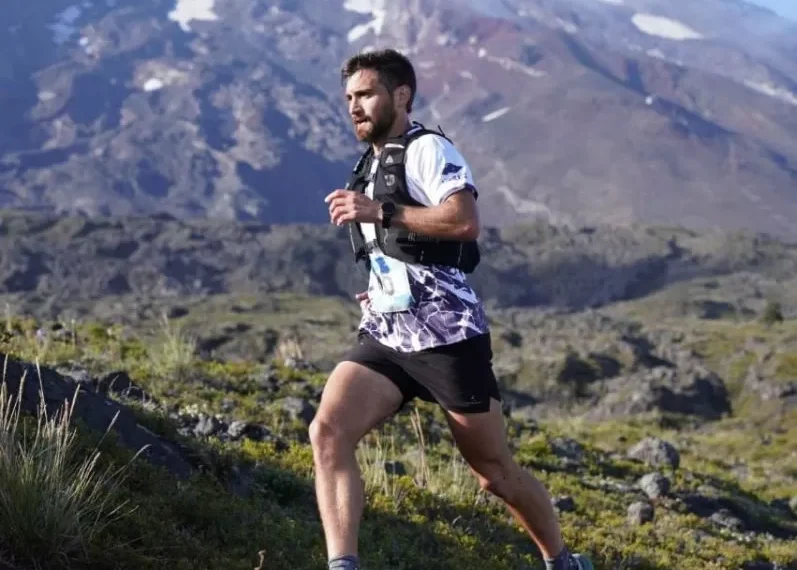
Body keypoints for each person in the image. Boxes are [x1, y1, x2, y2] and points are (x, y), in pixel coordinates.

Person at [315, 48, 594, 570]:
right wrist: (382, 284)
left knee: (493, 472)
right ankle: (344, 565)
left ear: (401, 96)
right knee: (328, 432)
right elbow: (398, 251)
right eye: (349, 97)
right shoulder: (368, 163)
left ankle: (561, 561)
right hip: (387, 334)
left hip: (447, 337)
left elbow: (463, 220)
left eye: (366, 94)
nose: (354, 106)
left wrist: (381, 211)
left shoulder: (427, 149)